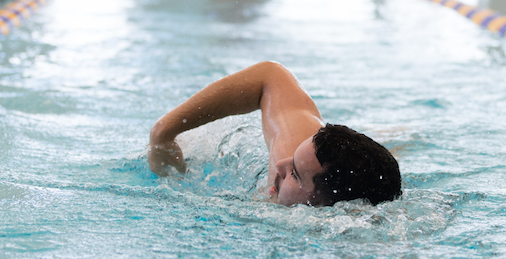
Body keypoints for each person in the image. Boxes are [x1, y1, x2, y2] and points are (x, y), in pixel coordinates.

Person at [148, 62, 401, 207]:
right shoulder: (294, 151)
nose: (279, 163)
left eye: (295, 174)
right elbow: (271, 75)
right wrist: (163, 134)